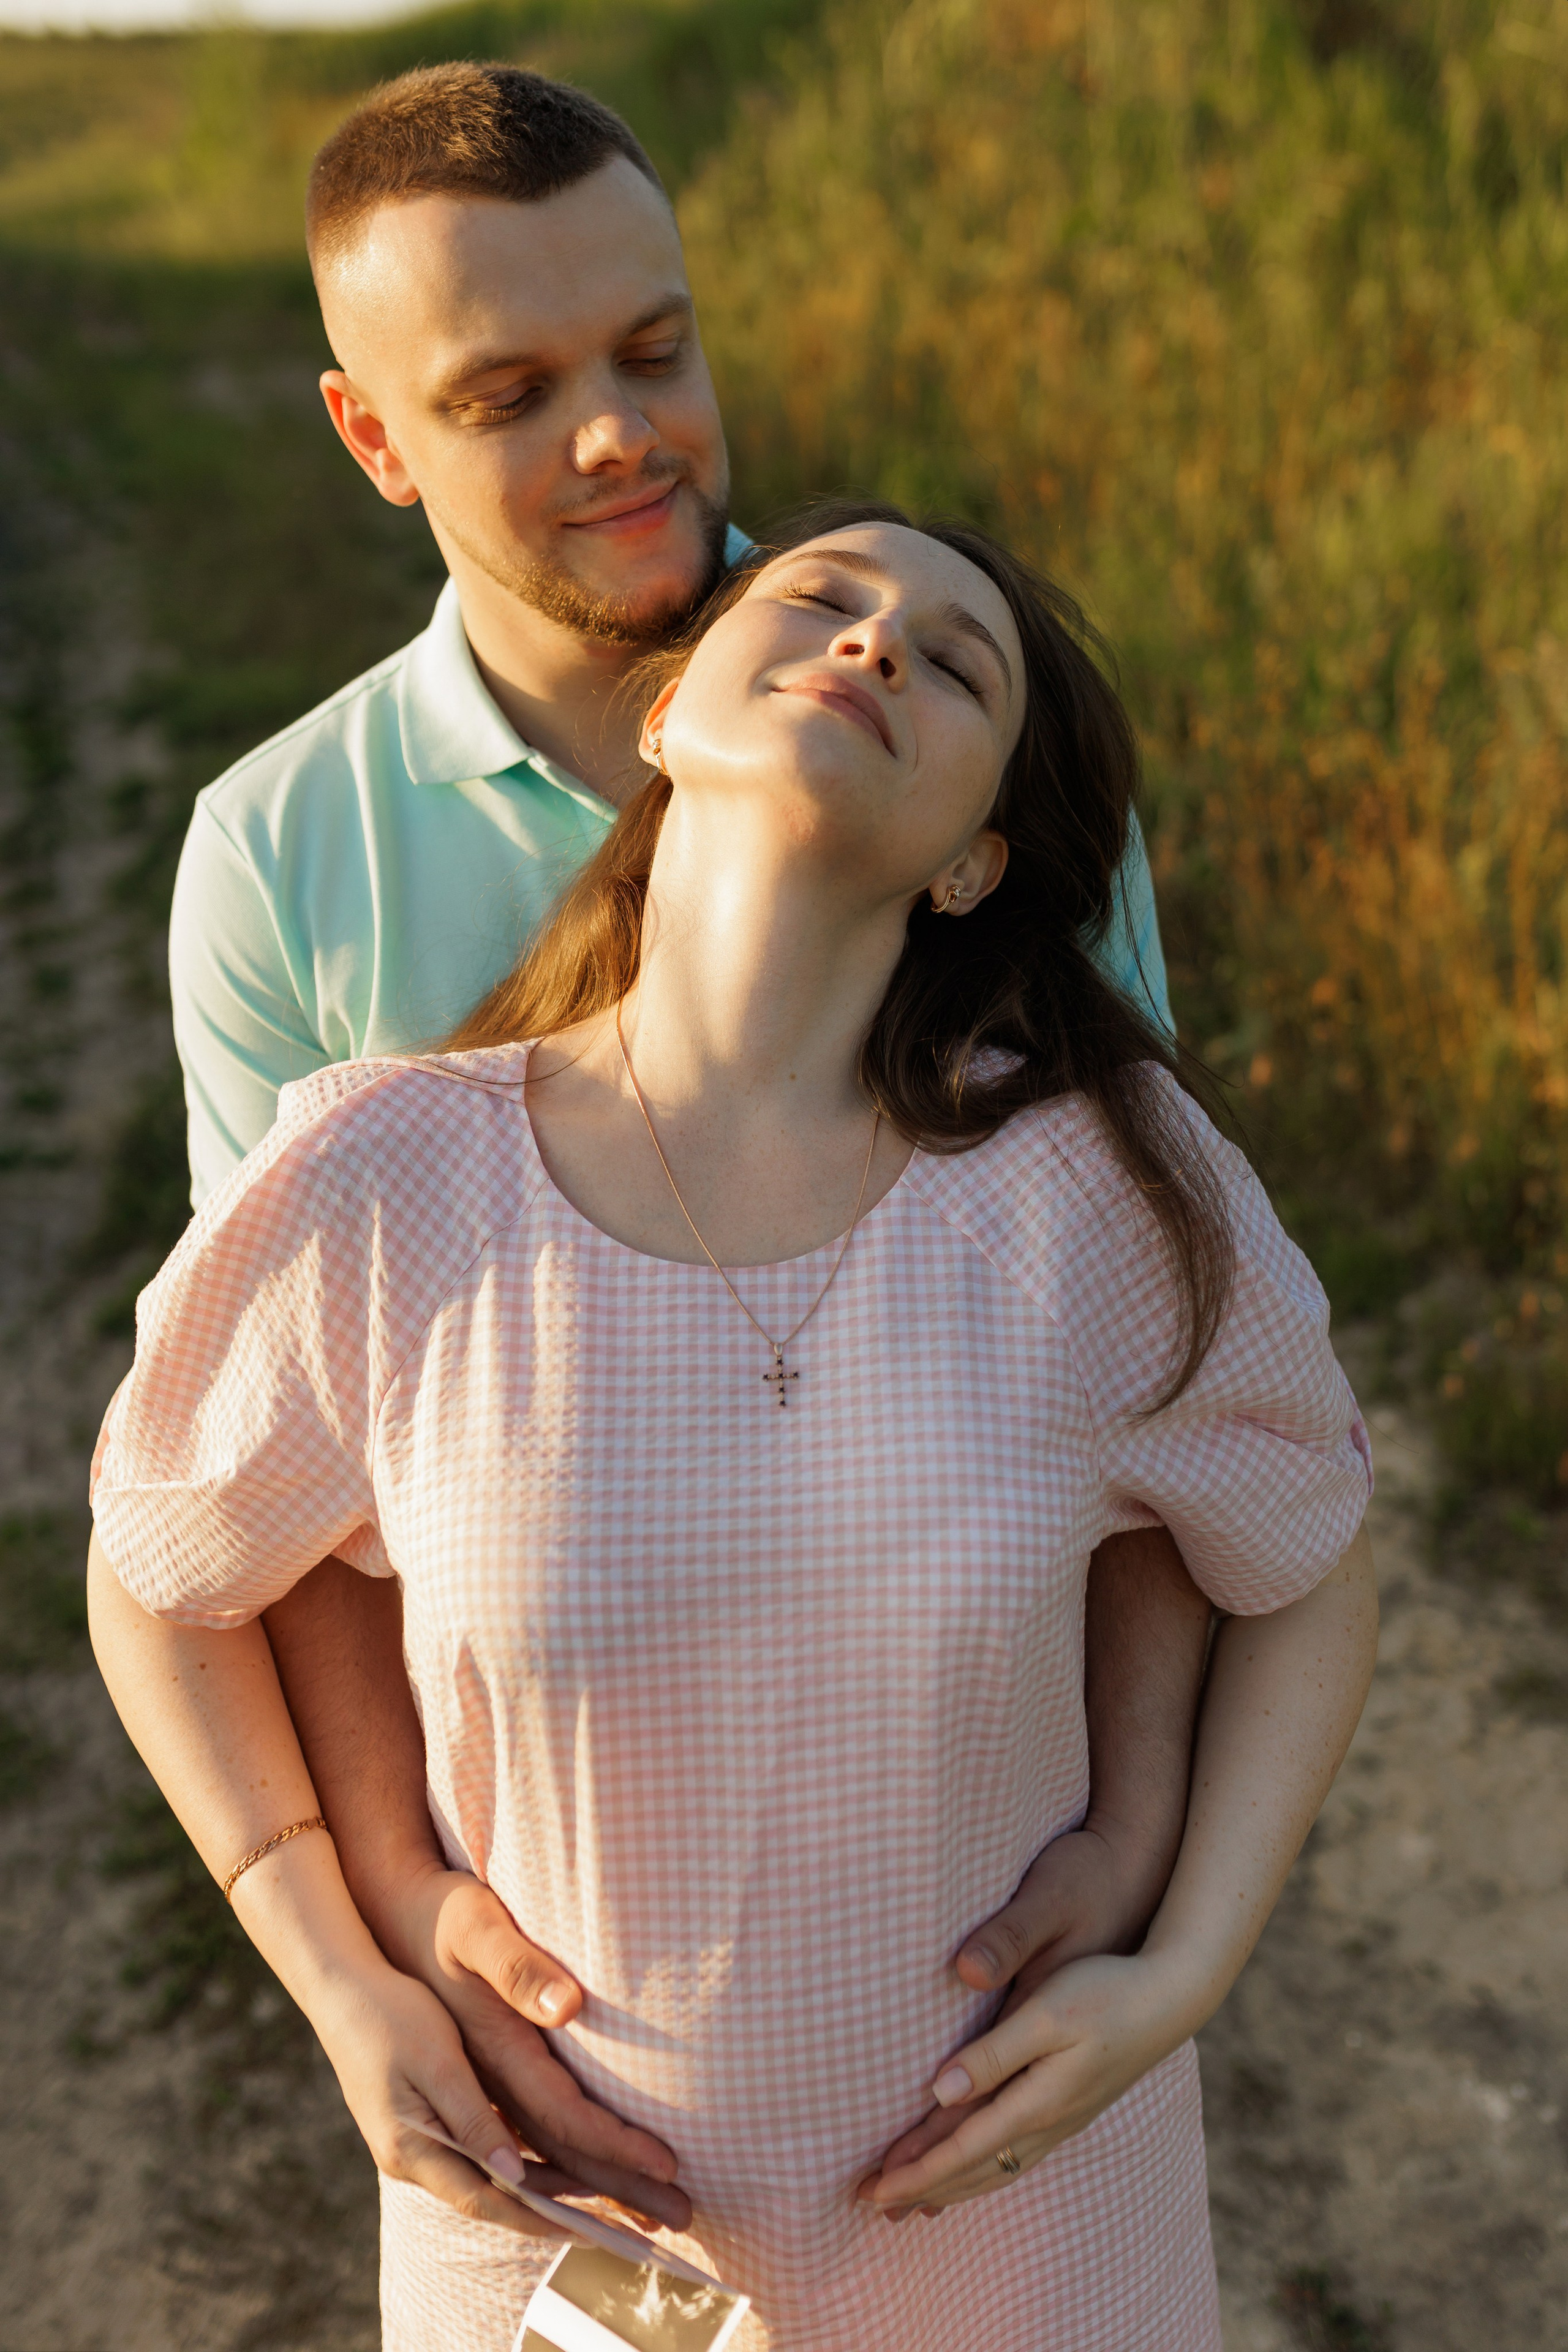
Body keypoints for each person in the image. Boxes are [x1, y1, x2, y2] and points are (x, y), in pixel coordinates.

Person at [91, 502, 1377, 2350]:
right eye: (824, 599)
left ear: (973, 865)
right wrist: (340, 1966)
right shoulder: (382, 1177)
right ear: (668, 711)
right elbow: (161, 1569)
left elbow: (1307, 1561)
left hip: (1024, 2228)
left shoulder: (1095, 1190)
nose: (873, 643)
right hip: (556, 2243)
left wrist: (1184, 1967)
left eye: (955, 664)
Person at [151, 58, 1215, 2233]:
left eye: (655, 350)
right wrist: (388, 1914)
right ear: (374, 436)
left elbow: (1156, 1372)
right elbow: (281, 1485)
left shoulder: (947, 735)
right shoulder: (280, 857)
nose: (619, 435)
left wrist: (1137, 1840)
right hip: (575, 1967)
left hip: (969, 1908)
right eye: (510, 392)